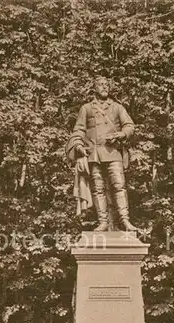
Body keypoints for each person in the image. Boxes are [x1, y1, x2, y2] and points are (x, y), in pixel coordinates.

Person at [67, 76, 137, 231]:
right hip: (94, 154)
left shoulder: (117, 107)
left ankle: (125, 220)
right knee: (98, 189)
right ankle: (103, 221)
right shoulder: (86, 108)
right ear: (95, 88)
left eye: (107, 85)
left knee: (119, 186)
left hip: (112, 153)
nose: (105, 87)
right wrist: (78, 145)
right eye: (101, 85)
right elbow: (78, 130)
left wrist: (121, 134)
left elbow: (129, 125)